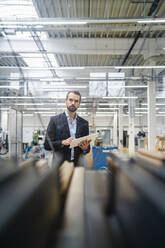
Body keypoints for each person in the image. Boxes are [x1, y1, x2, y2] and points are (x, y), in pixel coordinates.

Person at [44, 91, 91, 166]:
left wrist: (85, 148)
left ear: (79, 104)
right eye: (70, 100)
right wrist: (62, 142)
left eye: (76, 101)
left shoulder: (84, 123)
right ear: (66, 101)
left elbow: (87, 148)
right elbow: (46, 145)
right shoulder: (54, 121)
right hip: (59, 165)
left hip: (77, 165)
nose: (73, 103)